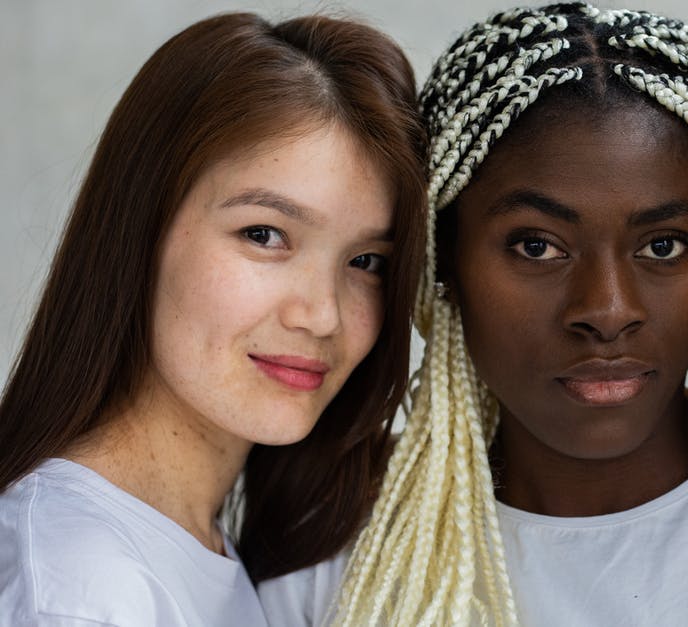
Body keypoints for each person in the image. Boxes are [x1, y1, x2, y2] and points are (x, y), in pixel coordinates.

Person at [258, 3, 688, 626]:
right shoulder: (335, 545)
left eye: (662, 245)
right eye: (537, 246)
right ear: (443, 259)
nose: (608, 311)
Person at [0, 12, 426, 626]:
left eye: (365, 260)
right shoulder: (82, 593)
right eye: (265, 234)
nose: (323, 315)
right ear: (140, 230)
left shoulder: (197, 544)